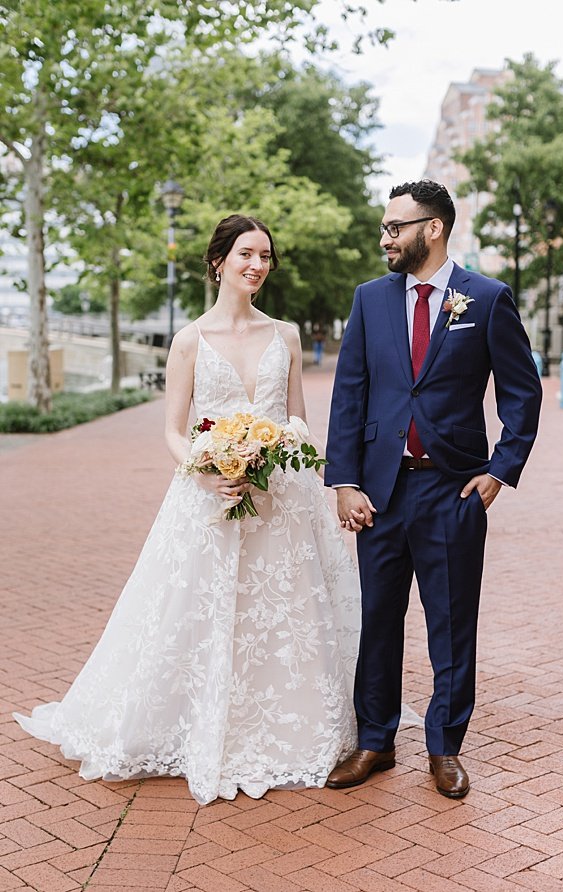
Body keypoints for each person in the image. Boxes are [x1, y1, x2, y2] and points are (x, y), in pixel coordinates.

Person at [13, 214, 418, 805]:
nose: (257, 266)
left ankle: (291, 722)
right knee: (200, 611)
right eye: (247, 254)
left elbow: (299, 416)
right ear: (219, 261)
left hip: (284, 498)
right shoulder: (189, 341)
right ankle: (200, 722)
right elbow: (174, 433)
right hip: (211, 495)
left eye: (266, 257)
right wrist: (209, 467)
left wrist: (282, 450)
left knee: (286, 614)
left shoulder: (285, 335)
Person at [324, 180, 541, 798]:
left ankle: (445, 748)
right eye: (385, 227)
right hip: (380, 494)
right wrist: (343, 481)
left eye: (396, 226)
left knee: (451, 624)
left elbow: (522, 393)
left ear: (434, 228)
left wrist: (500, 469)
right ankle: (375, 741)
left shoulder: (488, 298)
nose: (385, 237)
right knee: (378, 620)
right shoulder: (369, 300)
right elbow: (350, 394)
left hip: (453, 491)